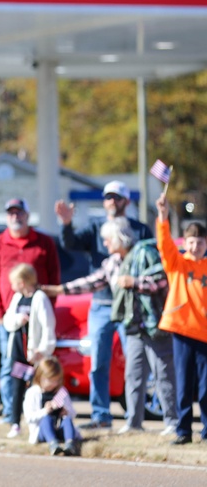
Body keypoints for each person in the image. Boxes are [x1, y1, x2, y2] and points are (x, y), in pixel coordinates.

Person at [41, 217, 178, 436]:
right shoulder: (113, 262)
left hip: (153, 326)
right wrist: (58, 290)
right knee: (133, 375)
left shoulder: (146, 253)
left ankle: (173, 422)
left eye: (107, 240)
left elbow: (163, 279)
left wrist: (135, 282)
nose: (104, 244)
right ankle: (134, 423)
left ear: (120, 237)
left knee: (162, 374)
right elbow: (92, 282)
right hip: (131, 325)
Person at [55, 180, 153, 429]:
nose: (111, 202)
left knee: (135, 364)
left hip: (131, 308)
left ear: (126, 202)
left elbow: (153, 263)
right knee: (98, 362)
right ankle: (101, 416)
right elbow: (71, 244)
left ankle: (134, 419)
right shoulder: (96, 227)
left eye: (116, 198)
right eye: (107, 198)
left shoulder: (140, 231)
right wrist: (66, 224)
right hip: (101, 305)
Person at [0, 198, 60, 426]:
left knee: (38, 366)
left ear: (27, 215)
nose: (15, 217)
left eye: (19, 213)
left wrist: (48, 308)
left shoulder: (43, 242)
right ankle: (11, 414)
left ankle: (37, 413)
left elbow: (55, 277)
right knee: (10, 367)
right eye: (11, 213)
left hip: (36, 319)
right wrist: (0, 314)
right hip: (11, 319)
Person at [154, 192, 207, 445]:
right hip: (183, 332)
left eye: (200, 242)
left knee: (206, 388)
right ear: (185, 243)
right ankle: (183, 431)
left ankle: (206, 430)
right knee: (184, 384)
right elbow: (164, 244)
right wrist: (162, 216)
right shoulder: (177, 264)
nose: (195, 246)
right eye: (191, 242)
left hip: (205, 334)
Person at [2, 263, 57, 438]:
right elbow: (7, 321)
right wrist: (18, 319)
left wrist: (44, 349)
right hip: (18, 352)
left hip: (34, 355)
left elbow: (48, 325)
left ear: (23, 281)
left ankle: (40, 424)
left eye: (15, 282)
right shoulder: (17, 298)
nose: (12, 286)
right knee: (17, 387)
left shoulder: (39, 298)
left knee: (37, 389)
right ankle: (15, 422)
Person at [23, 356, 81, 456]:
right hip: (42, 430)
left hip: (60, 427)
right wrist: (45, 411)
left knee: (67, 419)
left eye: (57, 380)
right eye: (50, 380)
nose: (53, 384)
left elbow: (73, 413)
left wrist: (66, 411)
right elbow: (29, 418)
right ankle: (53, 444)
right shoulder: (33, 393)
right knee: (46, 419)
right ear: (40, 377)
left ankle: (70, 444)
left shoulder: (61, 391)